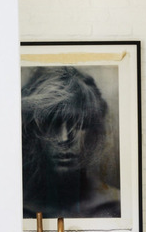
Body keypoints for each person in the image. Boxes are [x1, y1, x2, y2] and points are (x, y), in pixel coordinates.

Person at [21, 66, 121, 218]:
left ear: (94, 130)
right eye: (52, 125)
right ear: (33, 131)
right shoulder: (16, 207)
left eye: (78, 125)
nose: (64, 139)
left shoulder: (115, 207)